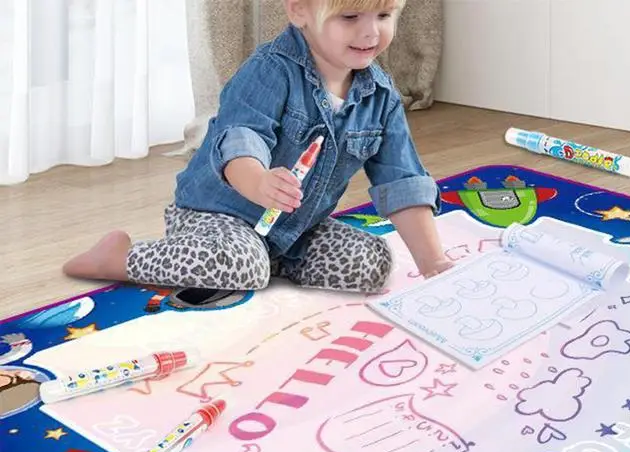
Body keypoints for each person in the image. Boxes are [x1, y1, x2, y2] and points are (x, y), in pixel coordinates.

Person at [63, 0, 452, 293]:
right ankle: (119, 258)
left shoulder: (380, 96)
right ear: (299, 9)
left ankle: (269, 259)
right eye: (350, 17)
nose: (371, 34)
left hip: (293, 229)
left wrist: (434, 264)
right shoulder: (271, 68)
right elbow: (241, 136)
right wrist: (259, 181)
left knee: (375, 263)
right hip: (217, 214)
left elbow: (403, 181)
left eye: (384, 16)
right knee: (240, 264)